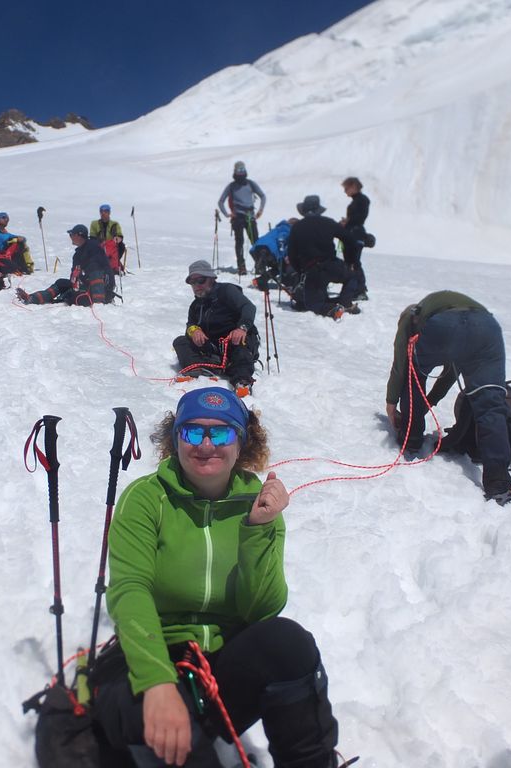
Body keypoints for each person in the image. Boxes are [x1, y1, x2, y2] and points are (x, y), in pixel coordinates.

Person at [93, 387, 345, 768]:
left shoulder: (260, 502)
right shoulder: (146, 500)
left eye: (221, 433)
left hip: (219, 666)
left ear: (241, 442)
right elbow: (130, 590)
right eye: (192, 432)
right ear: (175, 438)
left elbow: (263, 610)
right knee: (179, 743)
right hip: (147, 660)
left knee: (289, 642)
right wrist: (158, 683)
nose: (206, 444)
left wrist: (258, 528)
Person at [386, 290, 511, 504]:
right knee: (490, 405)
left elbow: (401, 366)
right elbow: (452, 372)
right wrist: (427, 403)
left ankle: (411, 438)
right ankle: (498, 485)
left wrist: (391, 403)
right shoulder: (445, 305)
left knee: (414, 375)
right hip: (487, 328)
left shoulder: (411, 316)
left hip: (444, 326)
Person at [172, 260, 259, 396]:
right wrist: (194, 331)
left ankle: (242, 381)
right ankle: (199, 368)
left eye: (200, 280)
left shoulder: (227, 291)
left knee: (240, 346)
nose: (197, 285)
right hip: (213, 348)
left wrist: (242, 328)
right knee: (180, 342)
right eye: (193, 282)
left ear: (211, 279)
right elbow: (190, 325)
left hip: (235, 341)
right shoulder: (196, 306)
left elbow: (248, 307)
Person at [287, 195, 360, 320]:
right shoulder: (327, 222)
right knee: (352, 276)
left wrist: (301, 271)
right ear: (318, 210)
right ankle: (346, 302)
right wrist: (351, 261)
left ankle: (330, 309)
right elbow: (350, 240)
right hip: (332, 265)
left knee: (311, 303)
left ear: (303, 210)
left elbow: (292, 255)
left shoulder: (297, 227)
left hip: (311, 270)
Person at [15, 224, 111, 306]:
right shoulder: (78, 254)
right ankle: (32, 298)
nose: (70, 237)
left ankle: (99, 302)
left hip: (97, 291)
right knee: (61, 283)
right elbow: (74, 275)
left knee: (72, 294)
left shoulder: (93, 248)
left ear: (78, 235)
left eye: (71, 234)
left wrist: (82, 277)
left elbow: (97, 270)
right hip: (82, 286)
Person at [217, 162, 266, 276]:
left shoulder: (250, 184)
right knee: (240, 241)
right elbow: (221, 202)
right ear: (235, 171)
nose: (241, 172)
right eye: (239, 170)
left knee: (255, 241)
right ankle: (242, 266)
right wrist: (227, 214)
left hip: (250, 216)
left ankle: (259, 266)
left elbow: (263, 196)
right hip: (238, 217)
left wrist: (260, 211)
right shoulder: (232, 186)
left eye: (242, 170)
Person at [339, 178, 370, 301]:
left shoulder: (362, 200)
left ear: (353, 186)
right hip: (352, 233)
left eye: (346, 188)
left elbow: (360, 217)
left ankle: (360, 290)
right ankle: (355, 289)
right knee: (351, 262)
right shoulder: (358, 201)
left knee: (354, 262)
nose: (345, 191)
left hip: (355, 234)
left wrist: (347, 222)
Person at [90, 203, 126, 273]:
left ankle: (114, 263)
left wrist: (118, 238)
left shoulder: (115, 224)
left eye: (105, 211)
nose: (103, 213)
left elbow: (119, 235)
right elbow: (92, 236)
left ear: (109, 212)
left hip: (112, 245)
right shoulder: (94, 224)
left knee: (121, 246)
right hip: (99, 244)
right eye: (101, 211)